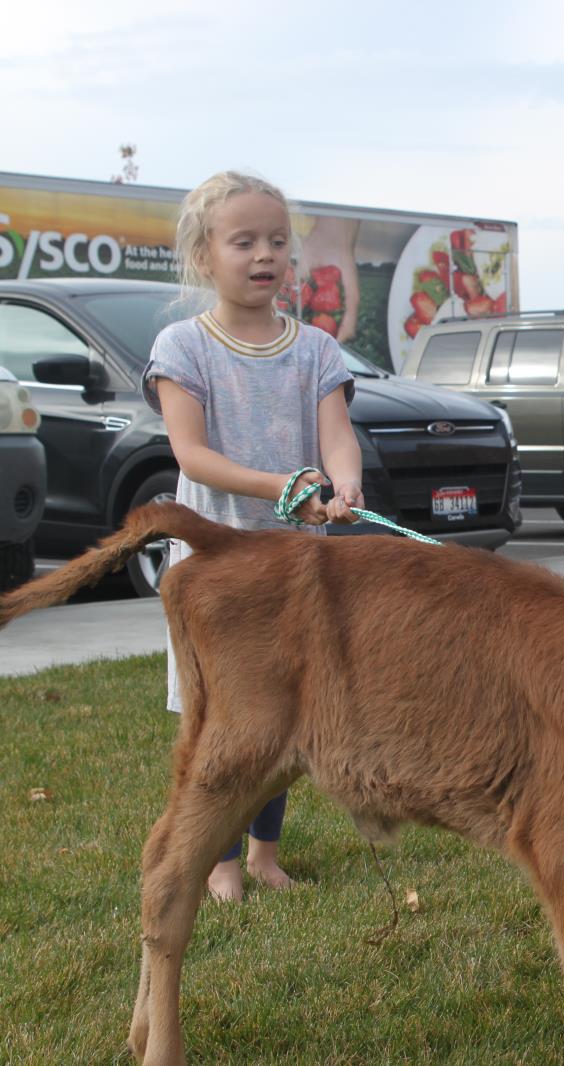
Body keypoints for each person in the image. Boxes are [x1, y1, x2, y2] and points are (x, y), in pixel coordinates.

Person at [143, 171, 364, 902]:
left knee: (285, 712)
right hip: (216, 571)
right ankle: (220, 860)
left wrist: (344, 482)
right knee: (225, 720)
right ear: (205, 256)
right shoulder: (184, 346)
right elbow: (191, 455)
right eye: (245, 241)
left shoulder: (317, 351)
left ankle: (266, 854)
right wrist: (282, 487)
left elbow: (338, 437)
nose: (265, 254)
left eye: (277, 241)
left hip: (296, 571)